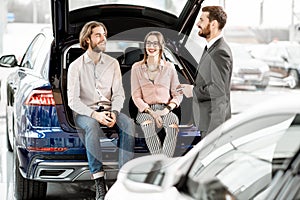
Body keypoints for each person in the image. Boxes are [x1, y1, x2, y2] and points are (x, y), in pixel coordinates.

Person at [67, 21, 135, 200]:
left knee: (128, 124)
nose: (103, 38)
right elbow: (73, 101)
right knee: (91, 126)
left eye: (104, 34)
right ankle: (99, 181)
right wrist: (95, 115)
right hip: (85, 112)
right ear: (87, 39)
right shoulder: (76, 67)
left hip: (109, 109)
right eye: (98, 35)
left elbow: (119, 94)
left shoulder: (112, 64)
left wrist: (115, 111)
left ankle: (123, 179)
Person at [177, 6, 233, 138]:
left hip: (214, 123)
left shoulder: (220, 52)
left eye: (201, 20)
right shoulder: (212, 48)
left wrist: (193, 91)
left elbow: (218, 89)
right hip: (209, 121)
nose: (197, 24)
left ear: (213, 24)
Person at [131, 31, 183, 157]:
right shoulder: (136, 68)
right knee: (148, 125)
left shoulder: (169, 67)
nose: (151, 46)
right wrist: (153, 113)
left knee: (172, 125)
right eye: (149, 43)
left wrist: (165, 111)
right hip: (145, 111)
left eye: (155, 43)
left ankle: (164, 161)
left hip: (165, 109)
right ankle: (159, 160)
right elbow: (136, 96)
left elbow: (178, 94)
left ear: (161, 46)